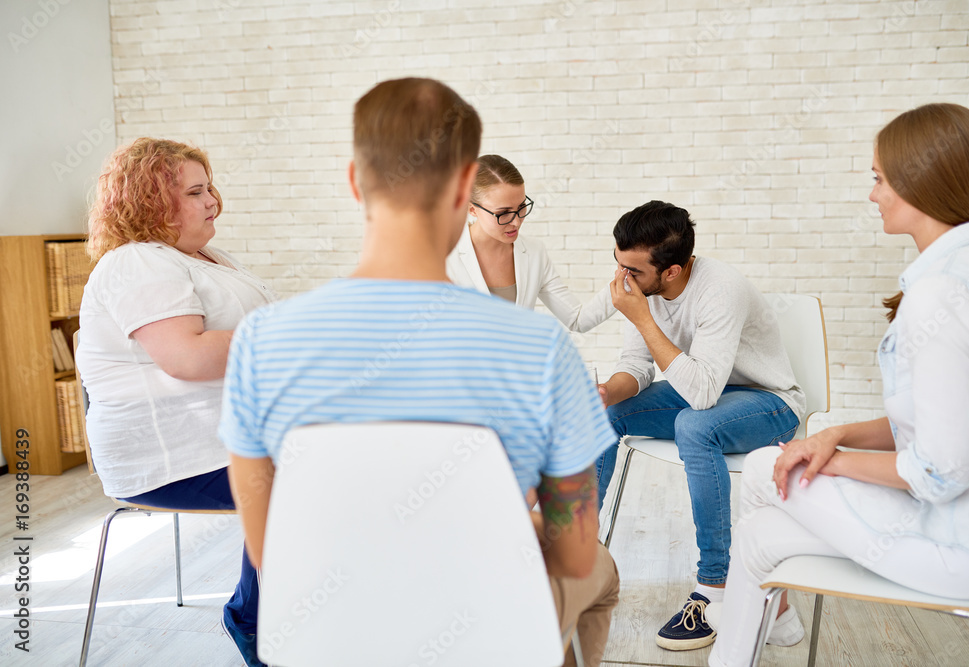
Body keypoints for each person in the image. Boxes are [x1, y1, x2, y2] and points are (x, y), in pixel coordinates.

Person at [219, 77, 620, 667]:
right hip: (485, 628)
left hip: (329, 635)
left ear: (355, 182)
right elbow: (575, 556)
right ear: (465, 190)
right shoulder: (540, 350)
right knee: (601, 576)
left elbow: (265, 548)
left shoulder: (260, 341)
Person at [707, 103, 969, 666]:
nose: (873, 194)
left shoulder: (940, 295)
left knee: (770, 469)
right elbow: (940, 418)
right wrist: (836, 433)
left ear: (920, 180)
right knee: (758, 536)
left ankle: (772, 623)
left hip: (964, 549)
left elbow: (939, 471)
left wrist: (832, 458)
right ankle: (778, 626)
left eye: (879, 179)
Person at [77, 137, 276, 667]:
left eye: (209, 186)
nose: (212, 200)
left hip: (223, 438)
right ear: (149, 204)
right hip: (170, 460)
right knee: (306, 481)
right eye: (195, 192)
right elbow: (187, 357)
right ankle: (258, 620)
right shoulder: (136, 263)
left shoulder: (205, 257)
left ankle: (305, 608)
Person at [593, 201, 806, 651]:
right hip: (704, 389)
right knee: (605, 416)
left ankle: (715, 588)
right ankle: (577, 552)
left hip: (768, 402)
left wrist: (643, 319)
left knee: (694, 425)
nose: (621, 279)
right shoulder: (645, 290)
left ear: (671, 271)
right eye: (618, 263)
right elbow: (637, 366)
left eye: (632, 270)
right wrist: (606, 392)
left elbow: (703, 394)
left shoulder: (719, 289)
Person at [446, 154, 616, 331]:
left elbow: (577, 319)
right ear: (472, 209)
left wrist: (627, 279)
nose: (516, 222)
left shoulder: (535, 253)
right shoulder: (444, 255)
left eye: (521, 207)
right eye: (503, 212)